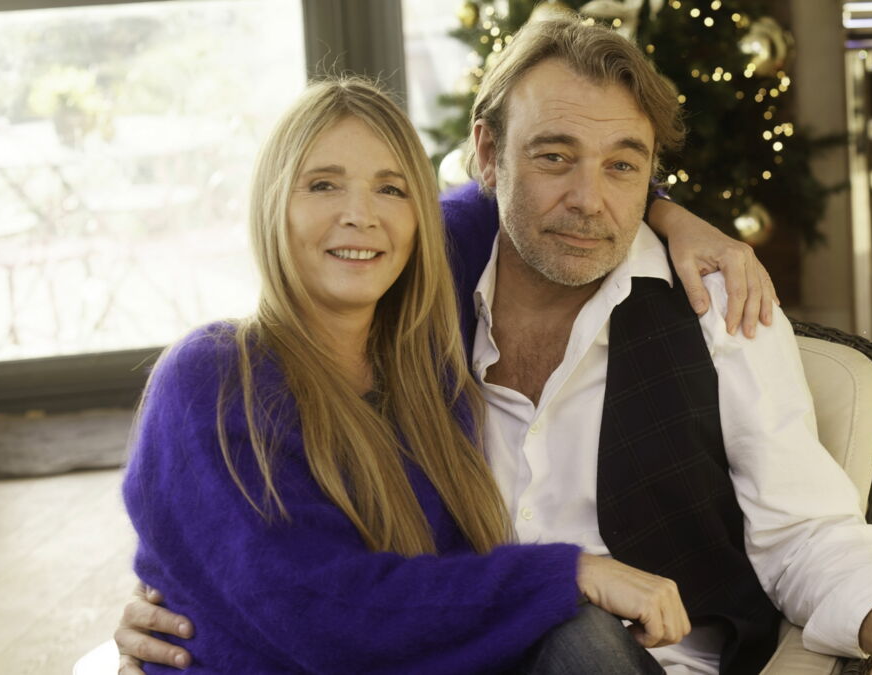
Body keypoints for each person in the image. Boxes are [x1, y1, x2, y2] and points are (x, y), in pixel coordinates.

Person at [119, 17, 872, 675]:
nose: (588, 199)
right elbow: (294, 573)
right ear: (488, 156)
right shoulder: (424, 288)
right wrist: (200, 581)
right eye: (554, 157)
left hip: (647, 663)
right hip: (452, 655)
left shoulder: (718, 306)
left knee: (578, 641)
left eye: (624, 166)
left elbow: (808, 531)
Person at [121, 74, 722, 674]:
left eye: (391, 189)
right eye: (323, 184)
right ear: (272, 203)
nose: (360, 215)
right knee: (578, 623)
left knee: (582, 637)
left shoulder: (426, 342)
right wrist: (569, 572)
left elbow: (550, 193)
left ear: (419, 220)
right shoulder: (215, 376)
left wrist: (668, 214)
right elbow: (317, 611)